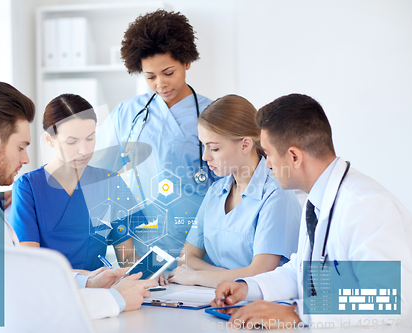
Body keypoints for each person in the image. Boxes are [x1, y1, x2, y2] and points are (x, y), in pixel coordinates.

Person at [0, 82, 154, 326]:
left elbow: (24, 279)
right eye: (21, 147)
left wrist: (90, 282)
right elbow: (23, 298)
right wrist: (113, 299)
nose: (26, 159)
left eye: (91, 138)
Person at [212, 94, 412, 329]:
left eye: (268, 154)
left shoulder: (367, 206)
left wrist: (297, 313)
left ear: (294, 156)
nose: (266, 164)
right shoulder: (317, 200)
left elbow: (390, 299)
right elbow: (303, 273)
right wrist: (247, 287)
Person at [96, 10, 215, 271]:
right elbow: (97, 173)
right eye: (150, 77)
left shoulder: (213, 115)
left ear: (186, 62)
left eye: (168, 72)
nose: (160, 83)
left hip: (199, 248)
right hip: (139, 247)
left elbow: (231, 185)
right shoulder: (126, 115)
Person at [168, 95, 301, 288]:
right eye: (203, 146)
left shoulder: (276, 194)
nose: (205, 157)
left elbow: (260, 273)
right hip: (212, 300)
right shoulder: (216, 191)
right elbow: (186, 258)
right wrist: (228, 276)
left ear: (245, 144)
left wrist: (198, 277)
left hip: (262, 307)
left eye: (214, 148)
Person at [9, 94, 139, 275]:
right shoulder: (28, 187)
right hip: (50, 293)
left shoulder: (110, 183)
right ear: (49, 139)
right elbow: (31, 263)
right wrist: (88, 278)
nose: (84, 150)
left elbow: (127, 257)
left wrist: (147, 269)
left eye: (90, 138)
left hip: (101, 295)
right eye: (72, 141)